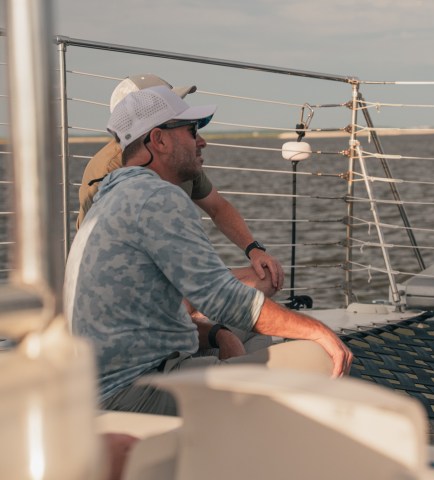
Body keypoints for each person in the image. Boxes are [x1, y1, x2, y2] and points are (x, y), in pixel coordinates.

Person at [64, 86, 353, 415]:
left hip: (108, 388)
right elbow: (224, 300)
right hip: (134, 394)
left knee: (255, 334)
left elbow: (174, 318)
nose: (202, 141)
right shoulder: (155, 198)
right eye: (192, 130)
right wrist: (317, 329)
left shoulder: (114, 194)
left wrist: (218, 334)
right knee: (318, 355)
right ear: (158, 140)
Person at [77, 73, 283, 297]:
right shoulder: (109, 171)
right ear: (155, 134)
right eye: (189, 127)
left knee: (265, 278)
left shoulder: (177, 160)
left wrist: (254, 250)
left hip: (175, 276)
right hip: (133, 286)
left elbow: (217, 207)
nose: (201, 141)